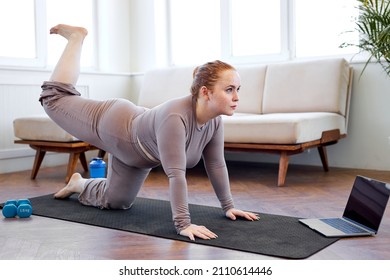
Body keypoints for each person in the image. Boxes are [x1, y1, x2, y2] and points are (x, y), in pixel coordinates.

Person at [40, 24, 259, 241]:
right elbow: (176, 174)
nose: (237, 97)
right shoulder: (176, 117)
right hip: (117, 126)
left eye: (237, 90)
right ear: (206, 92)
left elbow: (216, 165)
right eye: (229, 90)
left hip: (139, 155)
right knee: (53, 99)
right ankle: (77, 37)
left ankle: (79, 184)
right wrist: (183, 224)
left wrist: (229, 207)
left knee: (116, 202)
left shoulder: (214, 122)